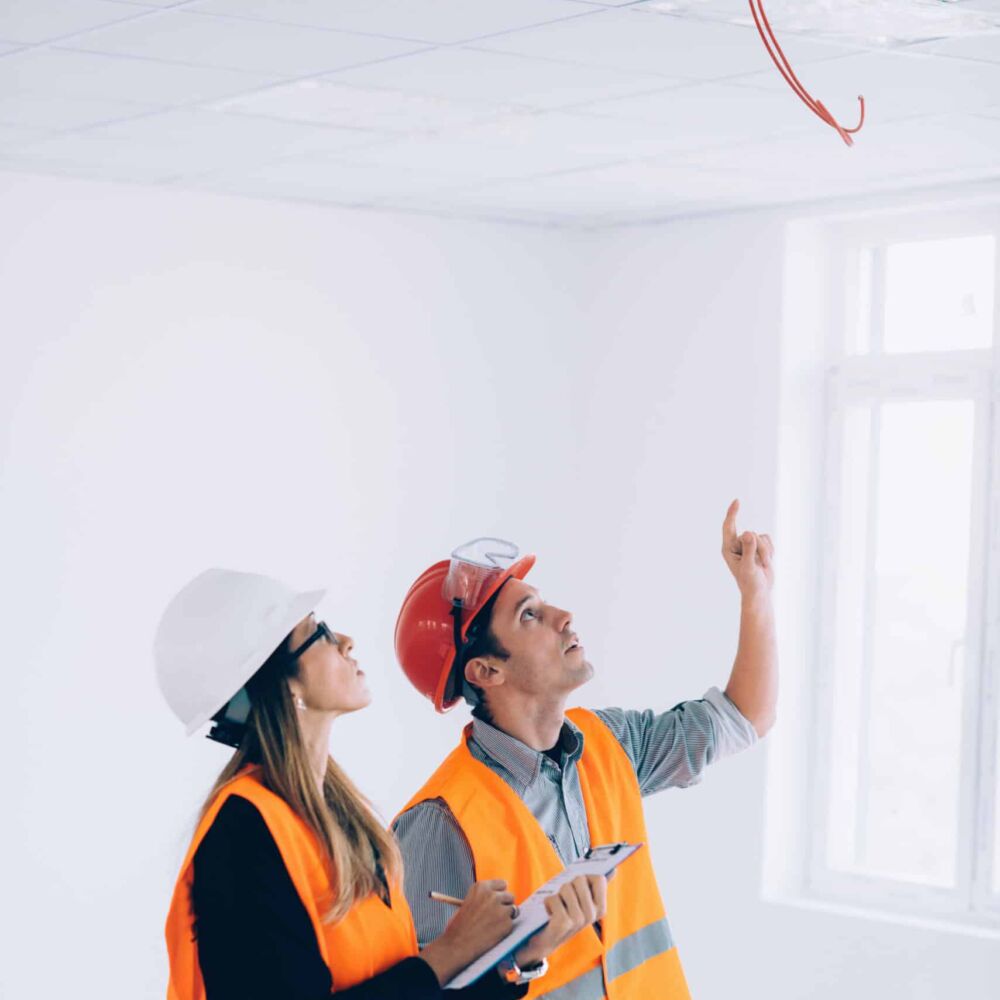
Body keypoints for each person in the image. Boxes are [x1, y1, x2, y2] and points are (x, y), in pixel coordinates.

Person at [154, 567, 608, 1000]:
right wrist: (448, 954)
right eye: (320, 635)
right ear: (279, 681)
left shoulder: (328, 817)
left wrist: (517, 958)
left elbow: (397, 986)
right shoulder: (243, 835)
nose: (347, 643)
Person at [392, 500, 777, 998]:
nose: (563, 615)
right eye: (530, 615)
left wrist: (757, 595)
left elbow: (746, 717)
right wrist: (518, 959)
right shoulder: (438, 823)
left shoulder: (610, 742)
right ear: (486, 671)